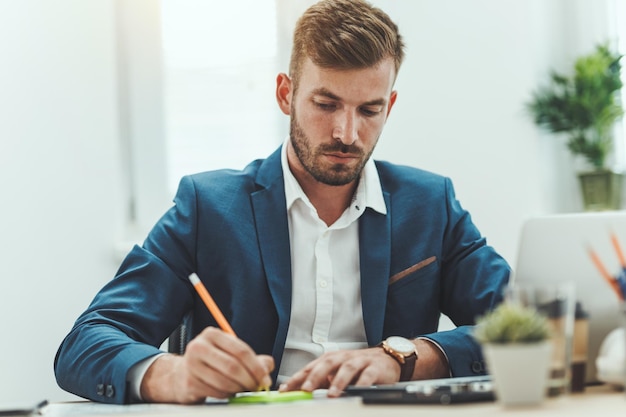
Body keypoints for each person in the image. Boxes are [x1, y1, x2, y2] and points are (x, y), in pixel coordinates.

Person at [54, 0, 510, 405]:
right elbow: (86, 343)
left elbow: (533, 327)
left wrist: (407, 358)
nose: (346, 134)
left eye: (368, 110)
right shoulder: (208, 207)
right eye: (326, 104)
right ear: (285, 94)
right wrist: (171, 375)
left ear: (389, 106)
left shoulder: (430, 204)